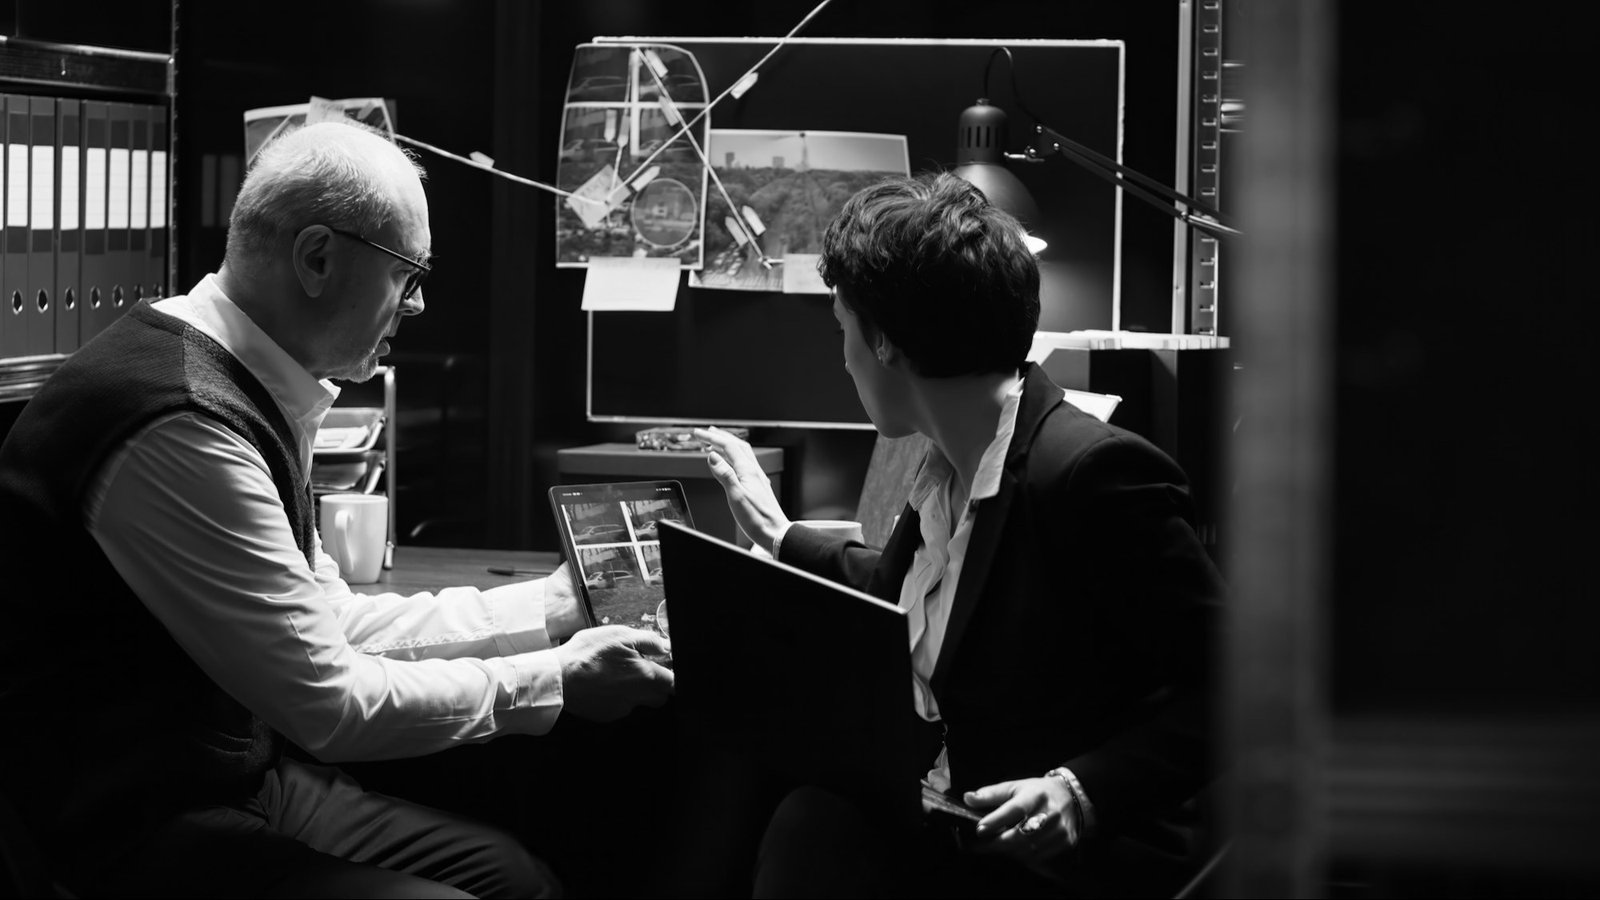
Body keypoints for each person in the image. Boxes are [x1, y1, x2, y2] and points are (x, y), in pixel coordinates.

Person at [0, 120, 673, 898]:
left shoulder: (242, 379)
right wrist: (555, 676)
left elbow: (329, 624)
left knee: (516, 879)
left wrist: (546, 608)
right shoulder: (179, 420)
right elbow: (328, 701)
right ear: (317, 258)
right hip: (117, 827)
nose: (416, 304)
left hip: (223, 780)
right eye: (407, 275)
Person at [693, 172, 1227, 898]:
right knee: (767, 788)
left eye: (843, 327)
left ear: (885, 342)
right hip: (947, 823)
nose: (843, 355)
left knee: (805, 826)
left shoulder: (1093, 474)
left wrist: (1080, 789)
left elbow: (1238, 689)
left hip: (1052, 860)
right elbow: (910, 591)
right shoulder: (948, 460)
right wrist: (782, 537)